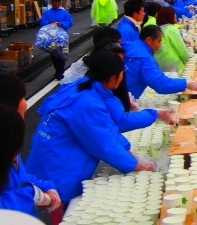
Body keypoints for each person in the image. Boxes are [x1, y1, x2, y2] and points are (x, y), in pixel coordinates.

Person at [27, 52, 158, 206]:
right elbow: (102, 144)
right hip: (58, 168)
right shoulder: (86, 102)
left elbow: (105, 126)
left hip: (48, 158)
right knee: (59, 209)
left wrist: (126, 150)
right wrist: (134, 164)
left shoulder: (84, 87)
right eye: (122, 74)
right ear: (112, 77)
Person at [0, 75, 61, 219]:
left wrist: (46, 187)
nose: (25, 103)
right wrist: (31, 194)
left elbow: (20, 177)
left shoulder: (8, 134)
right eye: (22, 97)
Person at [124, 25, 197, 99]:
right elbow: (161, 84)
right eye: (158, 41)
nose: (160, 45)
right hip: (124, 98)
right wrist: (187, 84)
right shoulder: (145, 58)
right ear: (148, 40)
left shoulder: (130, 46)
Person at [39, 0, 73, 80]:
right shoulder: (47, 12)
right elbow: (42, 22)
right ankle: (58, 70)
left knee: (61, 54)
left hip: (62, 38)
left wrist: (61, 24)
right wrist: (49, 22)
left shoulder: (65, 13)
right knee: (54, 55)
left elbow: (70, 22)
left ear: (60, 3)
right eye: (53, 2)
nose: (54, 3)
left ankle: (59, 72)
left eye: (56, 2)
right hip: (51, 38)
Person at [154, 7, 189, 74]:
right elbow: (181, 49)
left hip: (160, 64)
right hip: (174, 66)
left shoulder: (158, 29)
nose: (175, 16)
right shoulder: (171, 29)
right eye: (174, 14)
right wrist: (188, 62)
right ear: (169, 16)